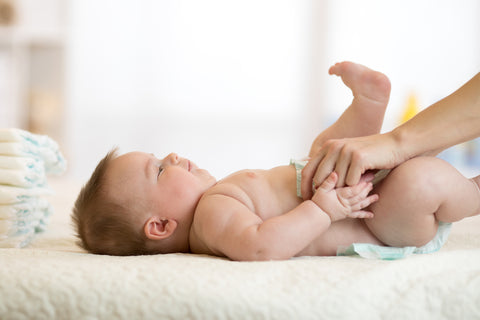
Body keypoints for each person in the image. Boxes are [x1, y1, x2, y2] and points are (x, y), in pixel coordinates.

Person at [72, 62, 480, 261]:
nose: (174, 156)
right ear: (160, 226)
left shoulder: (216, 200)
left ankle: (369, 102)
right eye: (160, 169)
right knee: (419, 182)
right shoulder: (211, 220)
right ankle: (472, 194)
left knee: (326, 146)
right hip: (381, 223)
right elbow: (262, 247)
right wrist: (321, 209)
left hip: (356, 191)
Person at [301, 70, 480, 199]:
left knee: (330, 150)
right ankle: (369, 102)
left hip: (314, 188)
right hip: (329, 198)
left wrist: (398, 142)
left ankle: (368, 102)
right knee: (335, 150)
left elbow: (275, 244)